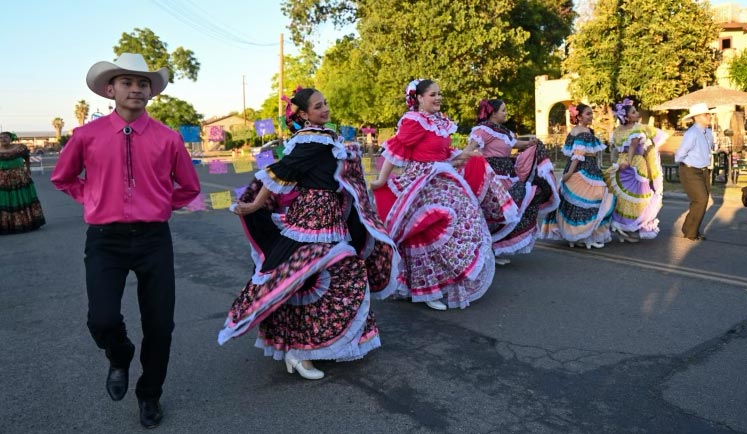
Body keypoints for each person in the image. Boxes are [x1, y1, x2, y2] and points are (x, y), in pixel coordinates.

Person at [51, 53, 201, 428]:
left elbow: (190, 187)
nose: (135, 89)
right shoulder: (87, 136)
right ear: (110, 89)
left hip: (153, 239)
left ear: (151, 91)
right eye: (127, 82)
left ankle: (150, 395)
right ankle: (120, 355)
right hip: (105, 238)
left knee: (160, 325)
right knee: (101, 319)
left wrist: (163, 203)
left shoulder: (168, 138)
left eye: (143, 83)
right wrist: (93, 198)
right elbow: (63, 177)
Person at [218, 87, 399, 380]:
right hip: (314, 218)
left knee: (317, 277)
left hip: (326, 213)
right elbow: (280, 171)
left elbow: (289, 173)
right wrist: (255, 204)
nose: (325, 109)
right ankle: (299, 350)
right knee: (315, 276)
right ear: (303, 114)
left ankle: (310, 345)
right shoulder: (312, 139)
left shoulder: (320, 137)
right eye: (318, 106)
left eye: (325, 103)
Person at [370, 79, 494, 310]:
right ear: (419, 98)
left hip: (442, 175)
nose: (438, 98)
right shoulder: (413, 121)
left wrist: (469, 154)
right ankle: (426, 288)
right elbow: (396, 150)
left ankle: (444, 282)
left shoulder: (441, 122)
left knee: (463, 222)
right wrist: (381, 179)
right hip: (421, 179)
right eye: (432, 94)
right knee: (427, 229)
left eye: (439, 93)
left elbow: (445, 154)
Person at [464, 99, 557, 263]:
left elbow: (514, 144)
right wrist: (461, 159)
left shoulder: (505, 131)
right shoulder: (484, 129)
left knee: (517, 207)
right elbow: (470, 149)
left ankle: (496, 247)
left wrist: (530, 143)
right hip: (493, 180)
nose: (506, 113)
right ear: (493, 113)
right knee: (496, 213)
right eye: (503, 110)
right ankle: (487, 250)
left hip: (508, 175)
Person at [539, 103, 613, 249]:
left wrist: (569, 172)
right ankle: (584, 236)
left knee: (576, 204)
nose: (591, 116)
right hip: (584, 170)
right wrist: (569, 173)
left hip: (583, 169)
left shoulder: (575, 131)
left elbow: (574, 153)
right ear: (579, 117)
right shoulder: (584, 132)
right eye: (588, 114)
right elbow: (578, 155)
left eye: (591, 113)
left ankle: (577, 236)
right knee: (593, 201)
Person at [604, 98, 666, 242]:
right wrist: (629, 163)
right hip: (635, 164)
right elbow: (632, 147)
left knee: (626, 198)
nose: (637, 113)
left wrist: (620, 163)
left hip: (624, 163)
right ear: (626, 117)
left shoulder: (619, 131)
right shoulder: (636, 129)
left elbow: (616, 150)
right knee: (635, 198)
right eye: (633, 112)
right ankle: (628, 228)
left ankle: (627, 228)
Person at [674, 103, 716, 241]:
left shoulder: (708, 133)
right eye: (706, 114)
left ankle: (688, 228)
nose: (709, 116)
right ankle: (691, 232)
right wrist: (684, 163)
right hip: (690, 169)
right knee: (701, 200)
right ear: (697, 117)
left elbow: (711, 148)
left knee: (698, 201)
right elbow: (681, 153)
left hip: (704, 170)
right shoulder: (692, 133)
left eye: (709, 113)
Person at [0, 131, 46, 234]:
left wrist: (28, 168)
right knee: (5, 200)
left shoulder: (20, 148)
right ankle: (6, 225)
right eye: (1, 138)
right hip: (3, 179)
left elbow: (27, 158)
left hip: (19, 176)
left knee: (22, 198)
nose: (3, 139)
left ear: (11, 138)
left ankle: (26, 222)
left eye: (5, 137)